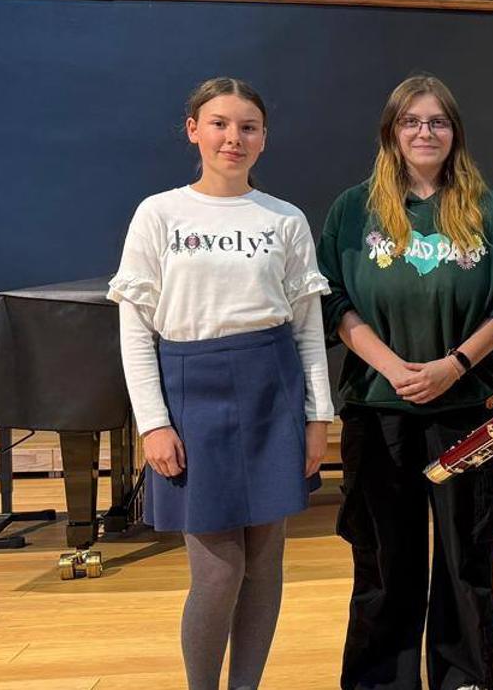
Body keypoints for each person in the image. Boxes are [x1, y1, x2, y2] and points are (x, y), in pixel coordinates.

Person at [109, 77, 334, 690]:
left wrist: (319, 417)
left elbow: (307, 328)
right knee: (217, 572)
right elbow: (136, 329)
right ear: (194, 130)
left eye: (247, 127)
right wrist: (153, 423)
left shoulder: (285, 219)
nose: (233, 137)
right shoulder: (159, 213)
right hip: (191, 394)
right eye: (219, 123)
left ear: (263, 138)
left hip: (272, 389)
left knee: (265, 564)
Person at [317, 74, 493, 690]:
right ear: (391, 131)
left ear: (455, 132)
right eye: (412, 121)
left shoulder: (490, 209)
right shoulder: (353, 209)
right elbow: (333, 300)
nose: (425, 132)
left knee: (467, 558)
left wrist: (453, 365)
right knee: (384, 558)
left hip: (468, 406)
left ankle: (465, 677)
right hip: (378, 406)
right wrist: (392, 366)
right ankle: (382, 680)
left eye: (437, 121)